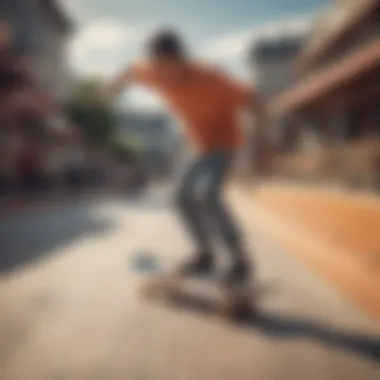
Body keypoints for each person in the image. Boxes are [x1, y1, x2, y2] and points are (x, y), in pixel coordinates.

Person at [105, 29, 271, 285]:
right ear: (156, 64)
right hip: (198, 144)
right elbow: (128, 71)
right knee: (179, 196)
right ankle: (205, 254)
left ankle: (240, 259)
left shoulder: (211, 76)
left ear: (183, 59)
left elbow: (254, 100)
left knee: (206, 193)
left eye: (173, 67)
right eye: (162, 69)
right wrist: (109, 90)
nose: (168, 76)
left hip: (225, 142)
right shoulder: (150, 72)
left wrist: (260, 146)